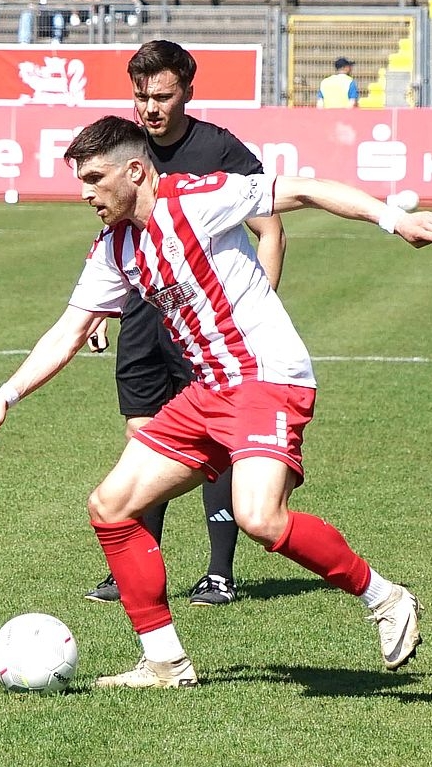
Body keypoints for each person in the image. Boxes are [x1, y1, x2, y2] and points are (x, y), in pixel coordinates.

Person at [0, 114, 432, 688]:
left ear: (134, 172)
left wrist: (397, 220)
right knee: (110, 506)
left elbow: (306, 190)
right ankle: (164, 661)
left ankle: (386, 598)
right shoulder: (117, 246)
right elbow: (68, 331)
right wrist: (4, 397)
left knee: (259, 518)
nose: (84, 193)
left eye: (94, 179)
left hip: (266, 377)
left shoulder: (197, 199)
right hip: (209, 390)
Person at [81, 42, 287, 609]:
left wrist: (256, 311)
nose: (150, 108)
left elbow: (271, 230)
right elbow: (116, 233)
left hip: (208, 328)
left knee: (215, 442)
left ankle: (219, 573)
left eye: (162, 96)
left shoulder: (218, 148)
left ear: (188, 92)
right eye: (141, 96)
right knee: (143, 437)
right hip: (144, 320)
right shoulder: (126, 147)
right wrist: (103, 309)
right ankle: (137, 569)